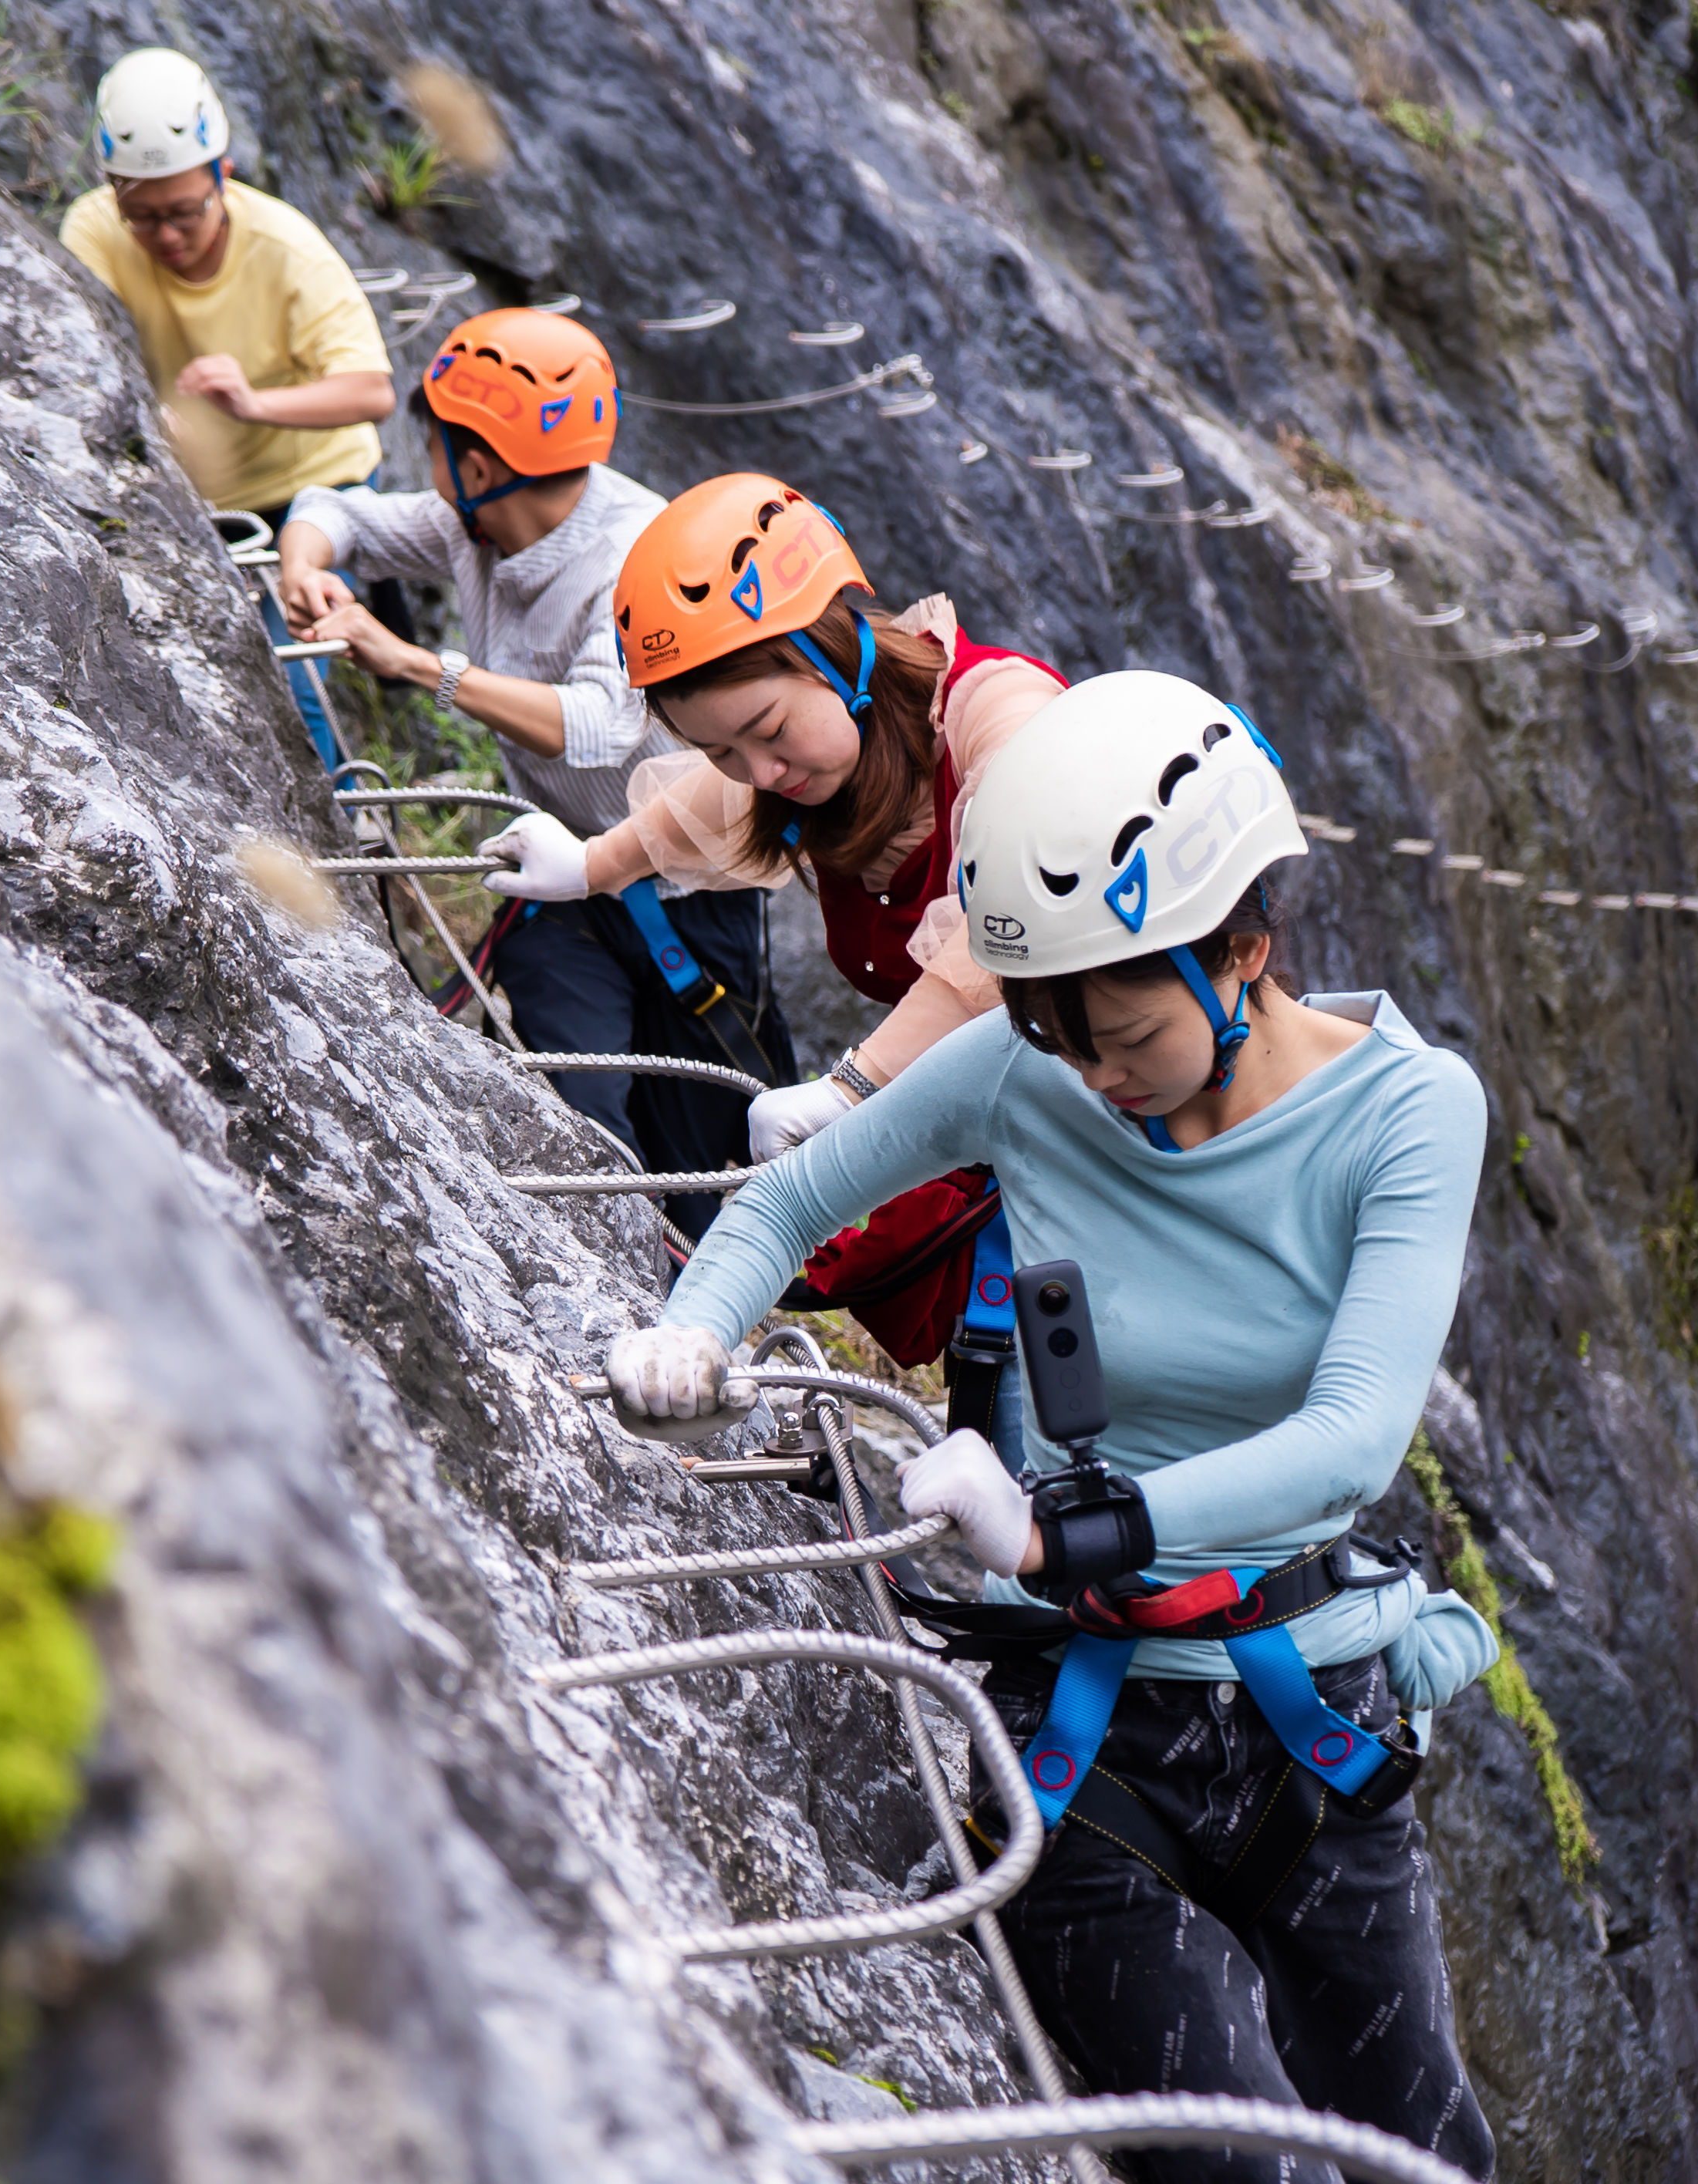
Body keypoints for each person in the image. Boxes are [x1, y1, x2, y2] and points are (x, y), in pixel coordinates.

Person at [598, 670, 1504, 2182]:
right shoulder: (1036, 1067)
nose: (1085, 1073)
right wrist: (693, 1331)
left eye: (1119, 1031)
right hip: (1081, 1740)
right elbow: (797, 1196)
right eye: (1046, 1028)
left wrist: (1049, 1529)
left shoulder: (1407, 1114)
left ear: (1244, 956)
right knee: (1233, 2168)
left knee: (1424, 2151)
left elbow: (1351, 1437)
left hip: (1304, 1714)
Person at [478, 474, 1064, 1408]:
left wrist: (854, 1086)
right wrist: (592, 865)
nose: (763, 773)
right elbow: (706, 810)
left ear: (836, 649)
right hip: (1015, 1147)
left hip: (1125, 1132)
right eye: (721, 750)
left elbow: (1013, 936)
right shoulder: (820, 767)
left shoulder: (1004, 721)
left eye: (768, 729)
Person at [278, 312, 790, 1237]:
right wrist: (307, 568)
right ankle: (595, 1291)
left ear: (476, 464)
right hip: (561, 873)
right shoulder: (474, 527)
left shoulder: (632, 554)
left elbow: (600, 724)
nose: (421, 456)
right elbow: (337, 510)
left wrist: (418, 665)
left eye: (431, 439)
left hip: (685, 883)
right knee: (575, 1112)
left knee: (698, 1147)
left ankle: (699, 1322)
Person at [57, 47, 394, 765]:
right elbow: (74, 362)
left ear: (224, 177)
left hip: (315, 489)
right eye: (142, 216)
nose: (167, 236)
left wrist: (252, 402)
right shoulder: (93, 233)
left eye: (185, 211)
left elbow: (372, 391)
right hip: (197, 494)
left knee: (293, 676)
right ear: (113, 190)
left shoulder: (286, 251)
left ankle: (343, 858)